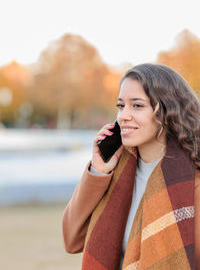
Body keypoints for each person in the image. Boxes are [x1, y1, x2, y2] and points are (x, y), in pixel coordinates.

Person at [62, 63, 200, 270]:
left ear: (167, 110)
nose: (123, 116)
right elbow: (72, 240)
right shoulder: (115, 172)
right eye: (120, 105)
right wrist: (98, 172)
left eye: (137, 106)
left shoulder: (191, 183)